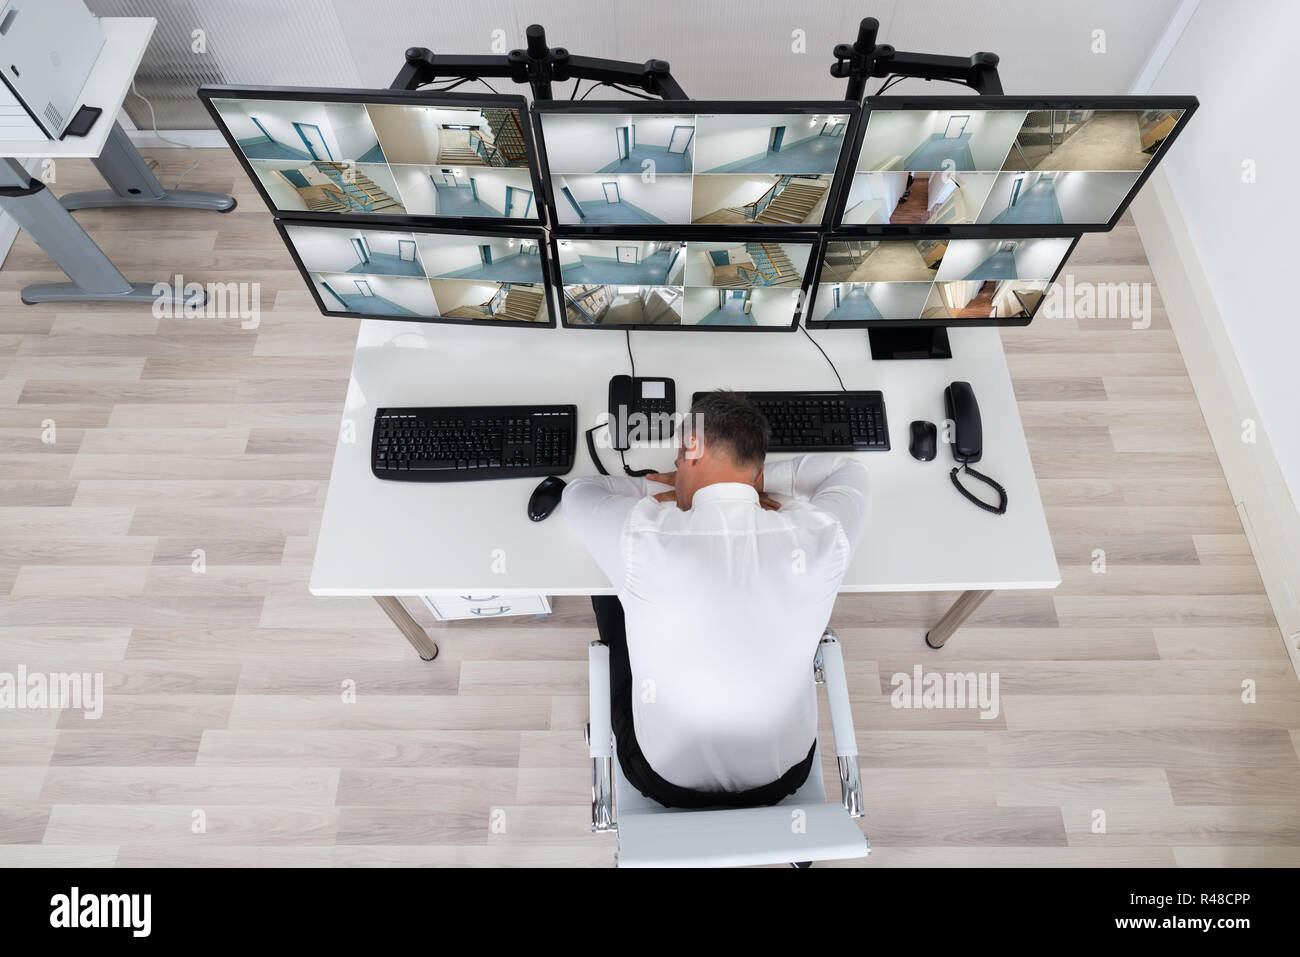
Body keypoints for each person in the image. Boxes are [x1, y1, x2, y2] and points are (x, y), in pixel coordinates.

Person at [562, 390, 869, 808]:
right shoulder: (821, 535)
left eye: (677, 463)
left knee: (610, 587)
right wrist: (747, 482)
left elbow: (580, 493)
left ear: (690, 452)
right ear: (758, 469)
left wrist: (659, 487)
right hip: (784, 773)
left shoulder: (643, 534)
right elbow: (849, 470)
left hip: (663, 776)